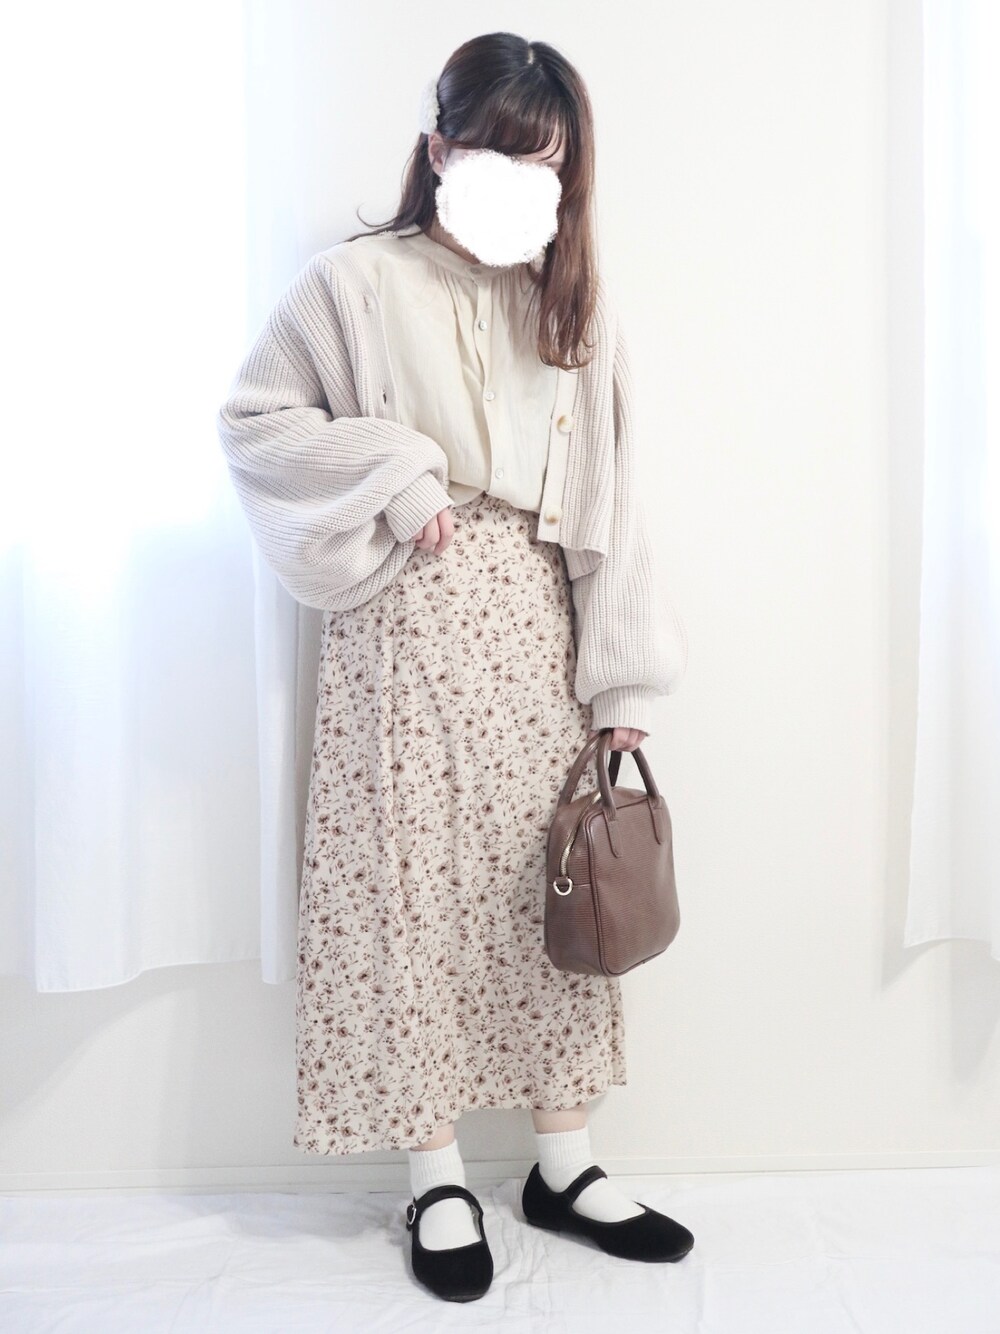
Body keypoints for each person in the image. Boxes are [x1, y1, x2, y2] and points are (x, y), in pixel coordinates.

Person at [217, 30, 692, 1304]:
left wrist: (622, 685)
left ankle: (563, 1163)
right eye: (499, 155)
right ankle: (433, 1174)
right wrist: (395, 466)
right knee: (410, 895)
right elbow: (256, 420)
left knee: (552, 886)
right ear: (439, 148)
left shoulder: (572, 299)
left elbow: (615, 500)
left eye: (550, 165)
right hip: (402, 626)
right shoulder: (352, 284)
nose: (527, 185)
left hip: (536, 633)